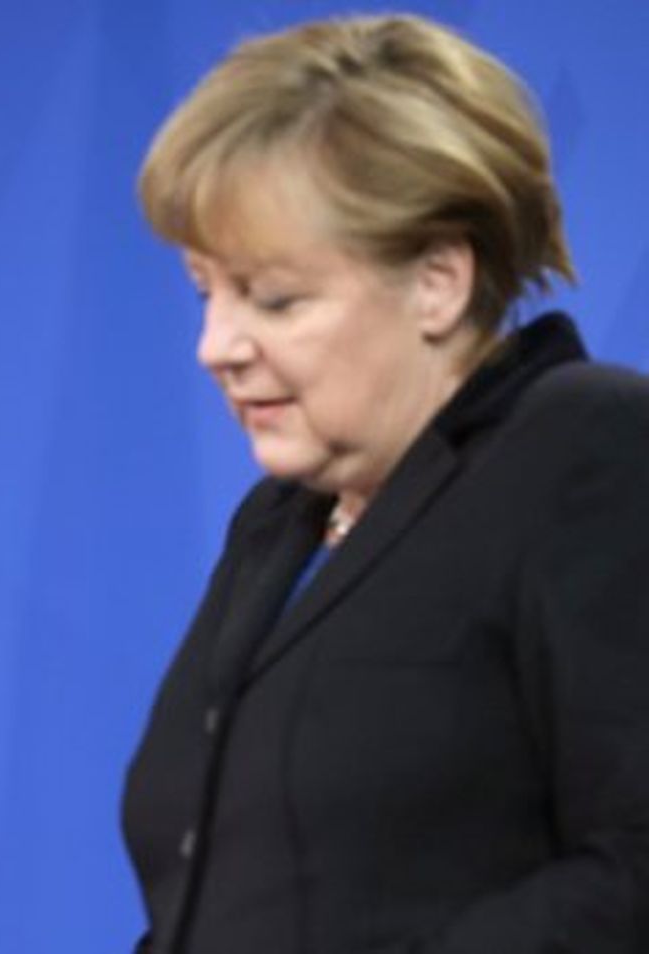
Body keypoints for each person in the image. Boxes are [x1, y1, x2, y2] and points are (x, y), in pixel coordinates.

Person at [121, 14, 649, 953]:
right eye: (207, 292)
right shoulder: (279, 524)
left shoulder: (587, 448)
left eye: (274, 298)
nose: (216, 346)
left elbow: (635, 868)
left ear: (439, 280)